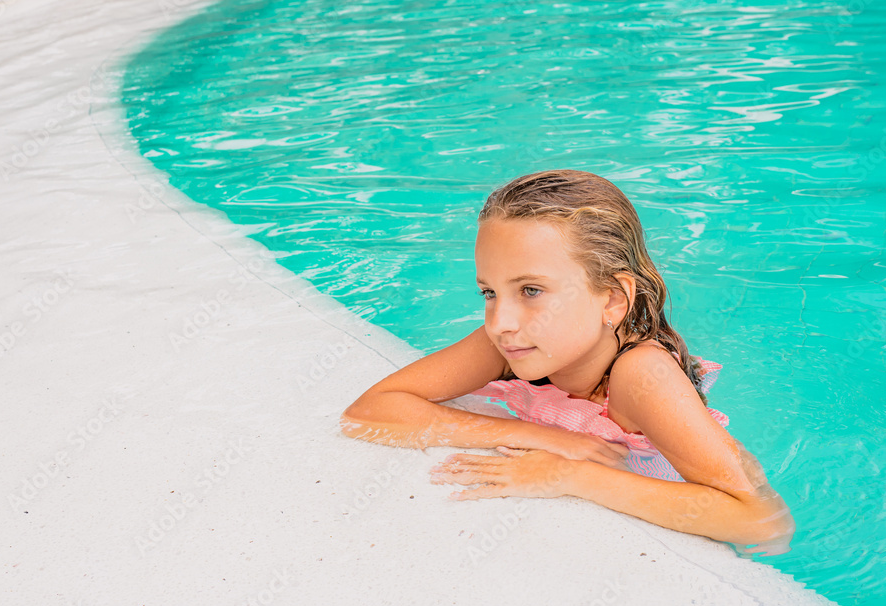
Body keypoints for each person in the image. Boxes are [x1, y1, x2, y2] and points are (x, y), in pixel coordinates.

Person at [340, 169, 795, 557]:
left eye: (531, 291)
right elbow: (368, 412)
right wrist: (540, 436)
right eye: (489, 292)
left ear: (613, 298)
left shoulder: (643, 375)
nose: (501, 322)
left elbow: (765, 523)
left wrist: (571, 475)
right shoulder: (511, 340)